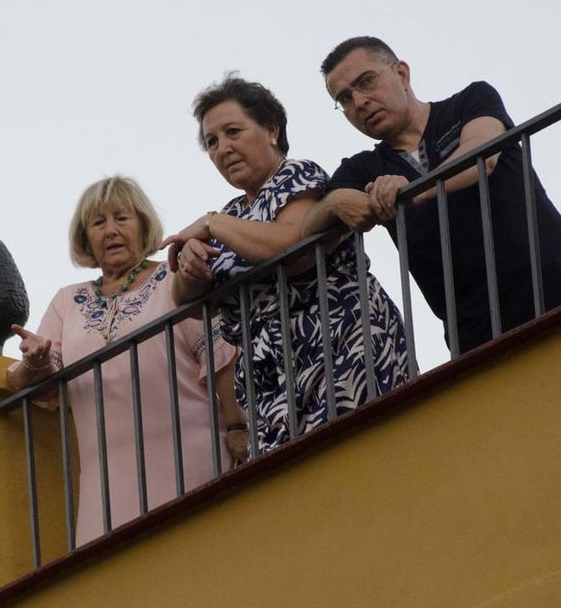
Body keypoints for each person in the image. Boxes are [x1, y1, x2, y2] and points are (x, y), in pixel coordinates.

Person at [304, 37, 561, 355]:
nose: (359, 102)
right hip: (478, 336)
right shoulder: (362, 168)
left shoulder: (471, 101)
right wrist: (335, 203)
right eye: (345, 99)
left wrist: (407, 194)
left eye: (366, 82)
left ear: (402, 74)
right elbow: (307, 232)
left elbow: (481, 156)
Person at [164, 75, 413, 454]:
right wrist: (190, 263)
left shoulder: (296, 175)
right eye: (212, 142)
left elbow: (290, 247)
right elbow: (185, 300)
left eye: (233, 132)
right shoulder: (235, 214)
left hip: (337, 349)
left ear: (271, 130)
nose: (223, 148)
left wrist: (212, 223)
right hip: (271, 380)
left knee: (358, 461)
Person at [7, 176, 246, 546]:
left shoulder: (174, 278)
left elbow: (221, 358)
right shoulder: (67, 302)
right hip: (104, 488)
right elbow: (28, 378)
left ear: (143, 224)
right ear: (85, 238)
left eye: (122, 218)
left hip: (191, 460)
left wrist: (237, 428)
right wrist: (35, 361)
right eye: (98, 223)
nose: (111, 231)